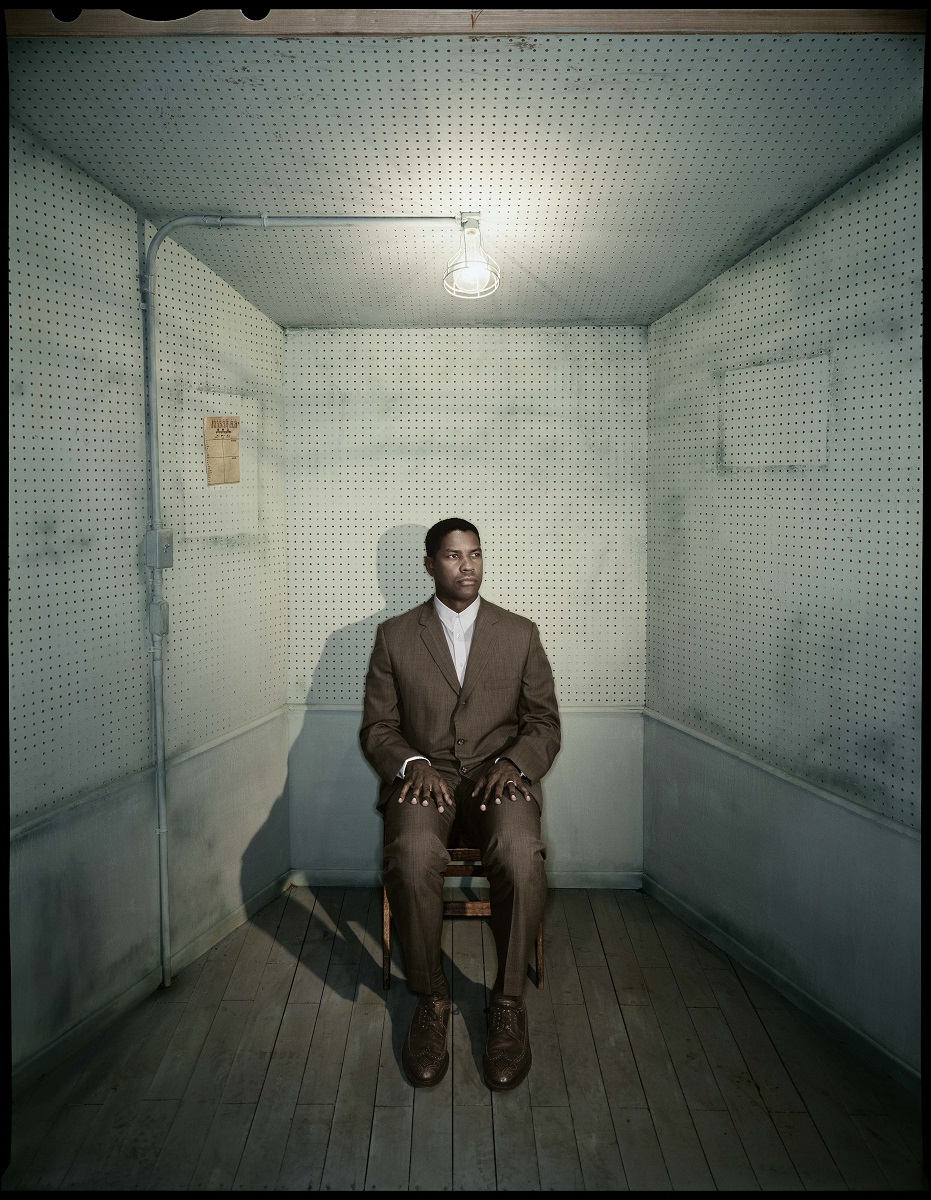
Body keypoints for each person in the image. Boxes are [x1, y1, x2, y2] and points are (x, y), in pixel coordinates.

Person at [360, 518, 561, 1090]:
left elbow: (544, 723)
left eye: (474, 554)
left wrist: (515, 763)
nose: (467, 565)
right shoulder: (395, 637)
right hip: (427, 780)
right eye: (453, 556)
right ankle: (430, 997)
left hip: (501, 778)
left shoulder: (519, 633)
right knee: (413, 854)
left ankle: (508, 1002)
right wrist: (411, 764)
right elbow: (378, 729)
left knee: (522, 855)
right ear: (429, 564)